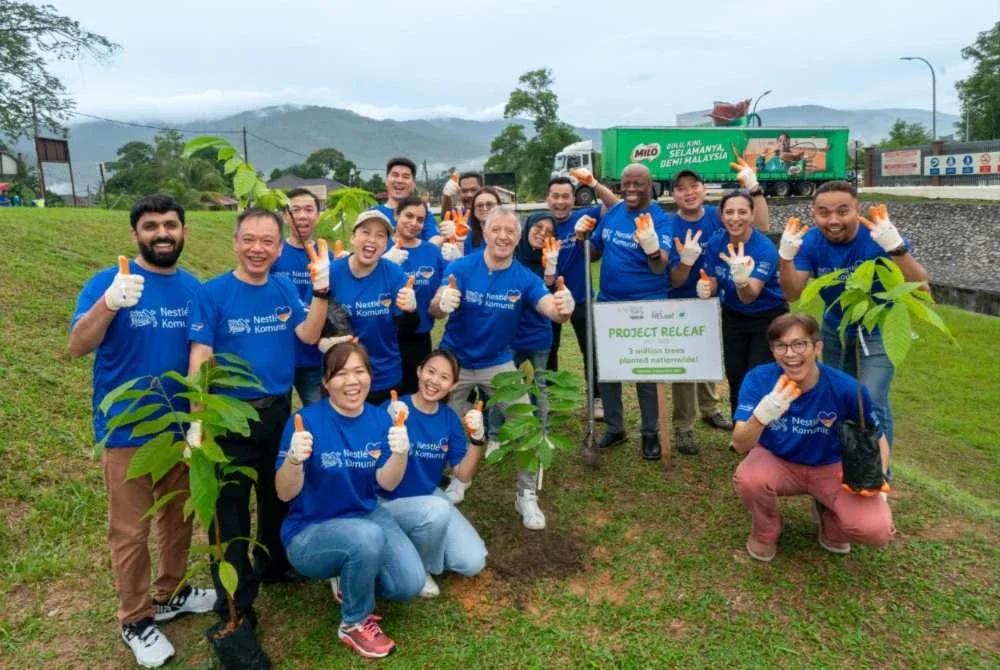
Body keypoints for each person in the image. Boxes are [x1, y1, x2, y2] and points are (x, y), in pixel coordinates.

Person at [69, 195, 214, 668]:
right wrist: (111, 303)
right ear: (136, 234)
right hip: (128, 430)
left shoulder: (194, 290)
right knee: (130, 531)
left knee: (178, 519)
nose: (162, 233)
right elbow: (77, 345)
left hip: (178, 429)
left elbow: (201, 358)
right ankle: (135, 617)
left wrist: (198, 423)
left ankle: (170, 593)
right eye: (151, 226)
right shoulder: (108, 283)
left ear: (184, 231)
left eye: (170, 224)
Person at [187, 207, 328, 639]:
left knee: (276, 495)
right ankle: (238, 602)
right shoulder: (211, 294)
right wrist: (197, 422)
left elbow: (307, 335)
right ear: (235, 242)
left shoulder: (284, 288)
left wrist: (321, 293)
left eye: (268, 241)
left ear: (280, 247)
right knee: (229, 512)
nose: (258, 249)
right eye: (249, 239)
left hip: (277, 413)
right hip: (229, 416)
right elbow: (200, 359)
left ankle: (272, 564)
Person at [275, 341, 424, 659]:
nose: (352, 381)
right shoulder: (305, 422)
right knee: (366, 538)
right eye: (341, 374)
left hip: (365, 513)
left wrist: (400, 454)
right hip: (310, 530)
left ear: (371, 375)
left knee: (409, 583)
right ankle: (353, 622)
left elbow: (386, 484)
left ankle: (350, 575)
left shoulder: (379, 420)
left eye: (359, 371)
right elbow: (284, 492)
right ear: (326, 382)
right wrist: (293, 461)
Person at [430, 205, 575, 529]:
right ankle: (457, 480)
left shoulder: (524, 277)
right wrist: (441, 303)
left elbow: (548, 307)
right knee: (443, 424)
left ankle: (526, 495)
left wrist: (563, 307)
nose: (503, 236)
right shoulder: (462, 266)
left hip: (498, 363)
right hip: (455, 362)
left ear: (517, 238)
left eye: (510, 231)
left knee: (527, 423)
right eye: (497, 229)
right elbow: (436, 304)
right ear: (486, 232)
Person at [731, 313, 895, 561]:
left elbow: (878, 439)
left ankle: (831, 519)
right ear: (772, 350)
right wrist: (763, 414)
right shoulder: (760, 379)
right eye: (780, 346)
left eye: (799, 344)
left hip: (831, 467)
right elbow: (740, 444)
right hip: (777, 460)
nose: (790, 354)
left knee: (876, 530)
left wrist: (876, 479)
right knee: (749, 479)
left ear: (817, 346)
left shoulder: (847, 388)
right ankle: (767, 528)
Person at [778, 181, 929, 445]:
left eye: (843, 211)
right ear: (814, 214)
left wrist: (895, 247)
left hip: (879, 328)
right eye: (824, 212)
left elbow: (922, 289)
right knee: (840, 396)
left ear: (857, 210)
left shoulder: (879, 236)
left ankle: (880, 474)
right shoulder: (812, 242)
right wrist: (785, 258)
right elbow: (792, 293)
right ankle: (849, 463)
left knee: (872, 399)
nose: (833, 220)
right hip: (836, 330)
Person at [667, 168, 770, 453]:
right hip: (682, 301)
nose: (689, 192)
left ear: (703, 189)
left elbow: (760, 226)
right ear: (673, 194)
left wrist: (754, 187)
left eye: (694, 185)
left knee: (711, 357)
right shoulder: (668, 225)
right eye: (681, 188)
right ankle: (684, 425)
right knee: (685, 364)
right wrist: (687, 263)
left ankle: (710, 408)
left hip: (719, 299)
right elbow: (673, 278)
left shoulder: (720, 214)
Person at [575, 163, 673, 461]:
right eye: (626, 183)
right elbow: (595, 253)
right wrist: (583, 239)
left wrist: (653, 249)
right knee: (608, 369)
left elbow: (660, 265)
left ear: (650, 185)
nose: (631, 189)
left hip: (646, 305)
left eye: (638, 184)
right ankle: (616, 428)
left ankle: (649, 433)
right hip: (608, 303)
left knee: (644, 371)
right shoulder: (614, 212)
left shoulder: (660, 219)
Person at [679, 189, 788, 448]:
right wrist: (706, 289)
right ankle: (742, 434)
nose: (735, 218)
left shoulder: (764, 249)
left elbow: (750, 295)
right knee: (736, 375)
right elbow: (714, 281)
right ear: (721, 215)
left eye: (742, 212)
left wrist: (741, 281)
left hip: (767, 317)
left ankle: (766, 438)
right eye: (729, 212)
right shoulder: (716, 242)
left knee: (759, 375)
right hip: (733, 317)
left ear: (752, 215)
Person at [382, 350, 488, 596]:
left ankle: (411, 542)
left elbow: (462, 474)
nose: (434, 381)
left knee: (473, 561)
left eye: (444, 377)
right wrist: (383, 423)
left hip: (427, 495)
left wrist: (477, 439)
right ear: (419, 371)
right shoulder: (395, 409)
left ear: (453, 385)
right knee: (437, 510)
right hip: (388, 500)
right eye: (430, 371)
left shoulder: (449, 419)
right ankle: (418, 564)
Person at [544, 174, 614, 418]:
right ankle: (550, 399)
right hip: (547, 300)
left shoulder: (583, 217)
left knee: (590, 349)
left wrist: (594, 184)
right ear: (547, 199)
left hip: (581, 297)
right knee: (549, 349)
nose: (560, 202)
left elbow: (613, 205)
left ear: (574, 198)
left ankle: (596, 399)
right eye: (556, 196)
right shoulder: (540, 224)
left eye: (566, 196)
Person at [331, 210, 419, 405]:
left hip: (385, 373)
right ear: (353, 237)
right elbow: (315, 318)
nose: (372, 240)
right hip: (342, 374)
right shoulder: (332, 272)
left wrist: (411, 310)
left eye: (380, 235)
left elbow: (408, 328)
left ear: (386, 244)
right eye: (366, 232)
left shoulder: (394, 274)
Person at [270, 187, 334, 406]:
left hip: (314, 356)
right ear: (286, 216)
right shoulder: (273, 254)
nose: (302, 215)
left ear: (318, 215)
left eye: (309, 209)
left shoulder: (328, 256)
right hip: (279, 354)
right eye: (295, 210)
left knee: (320, 412)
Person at [387, 196, 448, 394]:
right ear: (397, 215)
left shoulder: (431, 252)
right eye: (409, 216)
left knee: (415, 392)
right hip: (385, 337)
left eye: (420, 220)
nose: (414, 223)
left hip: (419, 336)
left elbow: (448, 282)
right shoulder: (383, 248)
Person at [373, 157, 442, 246]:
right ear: (386, 180)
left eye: (406, 177)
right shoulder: (374, 214)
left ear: (413, 184)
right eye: (395, 175)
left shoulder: (423, 214)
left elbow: (434, 238)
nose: (399, 180)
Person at [461, 187, 503, 256]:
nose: (484, 208)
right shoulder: (467, 232)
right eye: (479, 205)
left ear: (499, 206)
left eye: (489, 204)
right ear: (474, 210)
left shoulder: (510, 231)